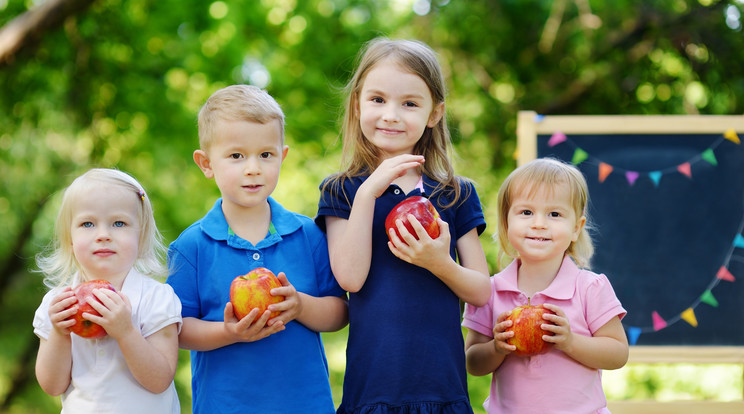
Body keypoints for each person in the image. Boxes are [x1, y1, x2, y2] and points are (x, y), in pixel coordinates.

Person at [316, 37, 491, 413]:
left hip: (441, 387)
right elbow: (350, 279)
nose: (391, 114)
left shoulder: (454, 194)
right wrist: (367, 195)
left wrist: (439, 263)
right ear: (357, 103)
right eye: (377, 100)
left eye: (409, 103)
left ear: (434, 113)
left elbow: (481, 290)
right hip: (374, 388)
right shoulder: (342, 191)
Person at [166, 84, 348, 414]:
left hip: (306, 405)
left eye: (266, 154)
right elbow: (178, 329)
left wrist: (300, 306)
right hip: (225, 406)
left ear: (283, 156)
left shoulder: (309, 234)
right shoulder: (191, 246)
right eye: (236, 156)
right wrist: (229, 332)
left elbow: (340, 311)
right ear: (206, 163)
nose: (253, 168)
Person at [462, 157, 629, 413]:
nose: (539, 223)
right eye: (526, 212)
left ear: (576, 228)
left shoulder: (589, 287)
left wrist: (570, 341)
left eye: (554, 214)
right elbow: (473, 362)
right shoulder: (489, 290)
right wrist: (497, 347)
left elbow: (618, 354)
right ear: (507, 224)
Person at [33, 168, 182, 413]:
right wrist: (59, 334)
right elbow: (52, 385)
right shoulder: (58, 304)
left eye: (119, 223)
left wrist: (126, 332)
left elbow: (160, 380)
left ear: (141, 235)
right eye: (87, 223)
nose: (103, 235)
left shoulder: (157, 298)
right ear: (70, 239)